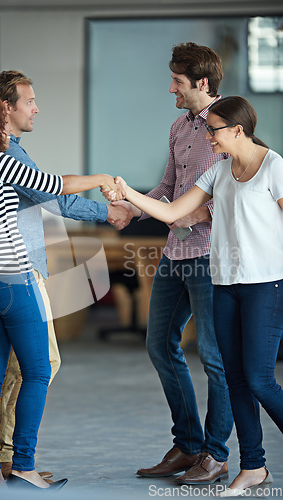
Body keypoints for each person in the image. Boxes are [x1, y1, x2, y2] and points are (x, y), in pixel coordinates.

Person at [0, 91, 123, 489]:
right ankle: (24, 467)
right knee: (38, 371)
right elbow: (54, 187)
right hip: (14, 279)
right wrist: (101, 180)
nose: (4, 127)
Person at [110, 95, 283, 496]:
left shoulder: (275, 167)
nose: (209, 137)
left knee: (258, 379)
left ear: (237, 130)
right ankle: (253, 467)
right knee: (237, 380)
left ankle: (244, 461)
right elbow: (172, 213)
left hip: (266, 286)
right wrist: (127, 193)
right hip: (224, 284)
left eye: (215, 130)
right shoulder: (219, 173)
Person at [0, 70, 134, 481]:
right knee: (41, 363)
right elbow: (54, 196)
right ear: (6, 107)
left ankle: (2, 457)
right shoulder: (8, 154)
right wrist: (108, 208)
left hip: (0, 273)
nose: (37, 108)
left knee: (14, 367)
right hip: (18, 274)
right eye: (29, 101)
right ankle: (13, 459)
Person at [111, 42, 234, 484]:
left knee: (216, 359)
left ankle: (215, 455)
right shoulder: (180, 126)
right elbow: (168, 186)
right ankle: (187, 445)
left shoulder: (232, 126)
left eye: (178, 82)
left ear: (203, 83)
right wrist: (133, 209)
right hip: (175, 254)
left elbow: (241, 191)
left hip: (211, 257)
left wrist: (205, 212)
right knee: (160, 344)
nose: (171, 89)